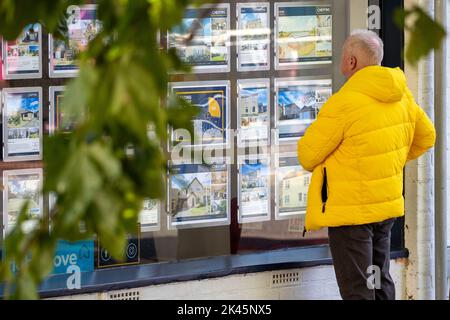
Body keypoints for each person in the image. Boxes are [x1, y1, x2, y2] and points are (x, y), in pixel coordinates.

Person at [297, 29, 436, 300]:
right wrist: (389, 163)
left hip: (352, 215)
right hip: (385, 209)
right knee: (379, 281)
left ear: (351, 62)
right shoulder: (402, 96)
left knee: (358, 289)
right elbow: (427, 136)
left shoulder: (344, 103)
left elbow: (308, 155)